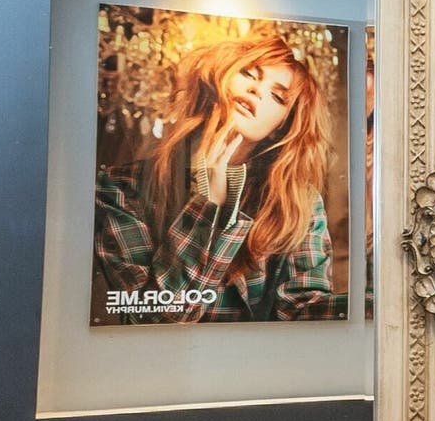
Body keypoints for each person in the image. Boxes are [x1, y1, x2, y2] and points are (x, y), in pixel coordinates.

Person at [94, 31, 344, 324]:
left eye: (277, 96)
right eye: (249, 74)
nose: (256, 91)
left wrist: (376, 303)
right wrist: (208, 202)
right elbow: (155, 322)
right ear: (218, 80)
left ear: (280, 127)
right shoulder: (120, 188)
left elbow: (303, 311)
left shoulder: (298, 201)